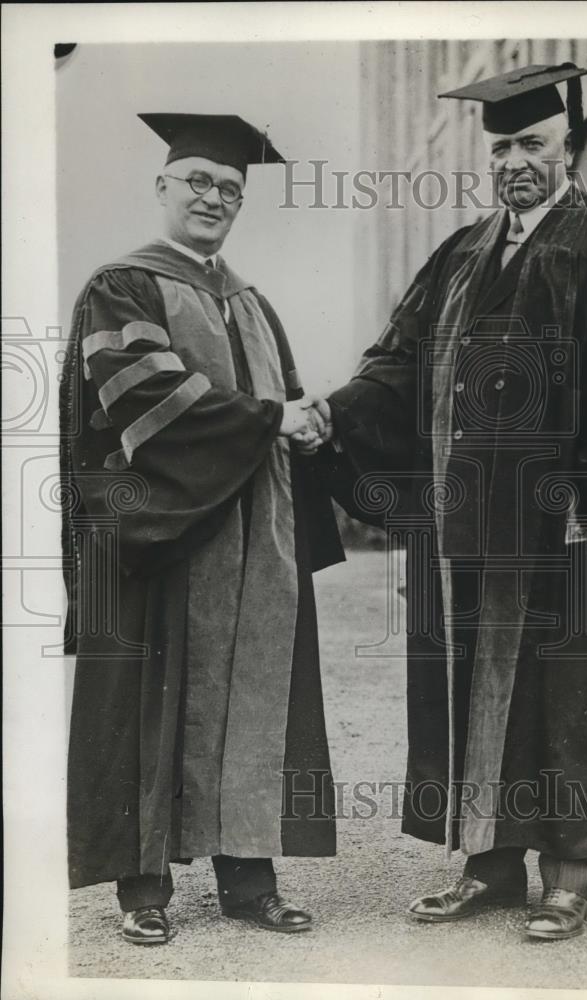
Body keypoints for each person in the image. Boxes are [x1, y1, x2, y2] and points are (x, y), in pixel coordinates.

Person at [323, 64, 587, 940]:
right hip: (472, 528)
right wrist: (332, 413)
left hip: (572, 526)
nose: (514, 161)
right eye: (501, 145)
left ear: (569, 147)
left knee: (576, 687)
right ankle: (490, 863)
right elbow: (397, 362)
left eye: (532, 143)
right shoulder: (462, 254)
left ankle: (570, 872)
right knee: (477, 689)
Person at [60, 113, 343, 945]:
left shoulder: (251, 302)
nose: (215, 198)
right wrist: (270, 420)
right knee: (146, 706)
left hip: (254, 542)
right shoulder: (124, 285)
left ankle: (249, 882)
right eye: (199, 182)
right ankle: (141, 889)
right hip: (159, 535)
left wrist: (314, 427)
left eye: (230, 188)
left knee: (251, 698)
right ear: (163, 188)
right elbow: (143, 395)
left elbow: (284, 400)